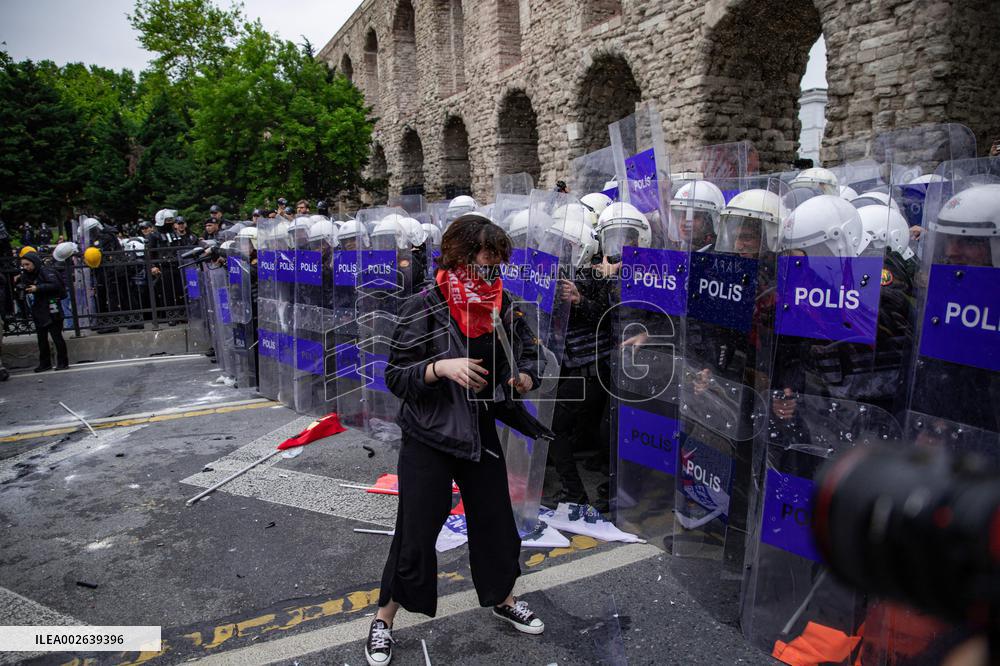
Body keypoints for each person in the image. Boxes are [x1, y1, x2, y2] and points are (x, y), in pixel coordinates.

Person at [366, 215, 547, 666]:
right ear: (461, 255)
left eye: (498, 261)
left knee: (497, 523)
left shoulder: (502, 302)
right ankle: (383, 620)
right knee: (416, 530)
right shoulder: (426, 303)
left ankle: (504, 599)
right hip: (430, 433)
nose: (494, 269)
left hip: (480, 428)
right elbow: (395, 375)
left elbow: (528, 351)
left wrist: (526, 376)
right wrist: (439, 369)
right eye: (487, 259)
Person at [17, 252, 69, 372]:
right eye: (23, 265)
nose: (25, 267)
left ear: (34, 262)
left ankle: (62, 362)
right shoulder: (26, 275)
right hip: (38, 309)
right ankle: (45, 363)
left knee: (56, 336)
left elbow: (55, 285)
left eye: (27, 264)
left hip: (51, 307)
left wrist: (37, 288)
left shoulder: (46, 271)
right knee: (41, 339)